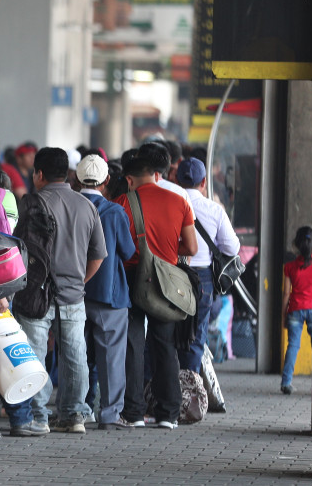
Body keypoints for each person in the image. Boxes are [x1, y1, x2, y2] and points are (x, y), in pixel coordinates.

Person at [9, 147, 106, 436]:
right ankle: (74, 414)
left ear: (39, 174)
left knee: (34, 355)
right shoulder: (87, 206)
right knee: (75, 355)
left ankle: (38, 416)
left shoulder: (32, 203)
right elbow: (98, 255)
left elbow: (18, 248)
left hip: (36, 293)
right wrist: (80, 281)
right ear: (68, 173)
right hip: (73, 294)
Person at [115, 145, 197, 430]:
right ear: (157, 175)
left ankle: (134, 413)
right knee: (164, 345)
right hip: (166, 280)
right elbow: (192, 247)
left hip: (132, 277)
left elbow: (120, 246)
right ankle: (168, 414)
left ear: (130, 179)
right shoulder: (179, 201)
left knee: (133, 345)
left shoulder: (123, 202)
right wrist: (169, 252)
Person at [76, 154, 135, 430]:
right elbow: (128, 251)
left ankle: (76, 410)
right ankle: (110, 414)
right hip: (108, 294)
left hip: (73, 292)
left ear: (77, 178)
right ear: (107, 180)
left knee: (76, 354)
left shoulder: (70, 206)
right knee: (111, 357)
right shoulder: (114, 212)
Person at [176, 157, 240, 373]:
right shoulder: (214, 210)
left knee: (169, 333)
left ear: (177, 180)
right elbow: (232, 247)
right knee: (196, 336)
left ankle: (169, 387)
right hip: (202, 279)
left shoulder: (170, 205)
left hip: (172, 274)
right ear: (204, 182)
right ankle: (190, 384)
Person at [281, 226, 312, 395]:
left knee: (293, 346)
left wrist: (283, 316)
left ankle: (286, 383)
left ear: (297, 244)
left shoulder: (289, 267)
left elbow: (286, 294)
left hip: (295, 309)